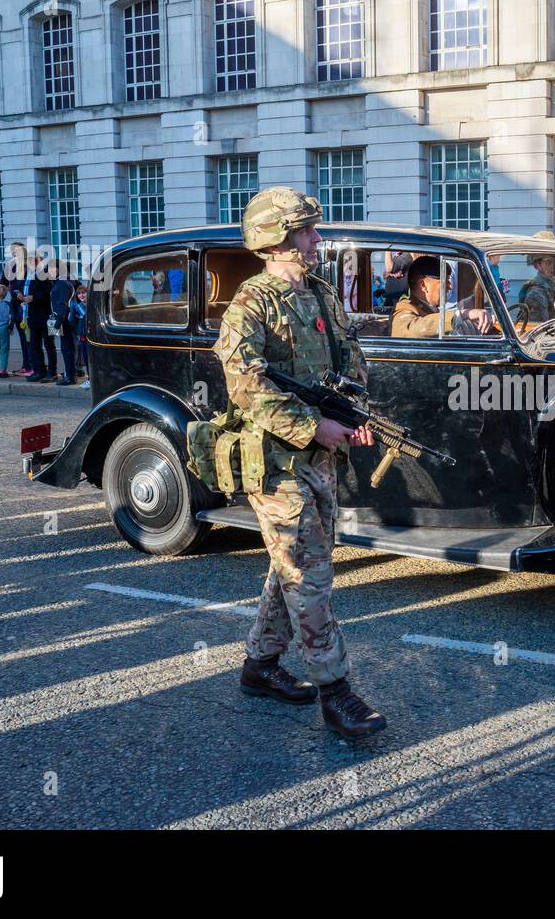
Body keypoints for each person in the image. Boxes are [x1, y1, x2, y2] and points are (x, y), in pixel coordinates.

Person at [214, 186, 385, 740]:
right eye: (306, 232)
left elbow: (350, 359)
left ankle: (259, 667)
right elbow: (246, 386)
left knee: (291, 565)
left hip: (320, 458)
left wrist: (353, 413)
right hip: (276, 461)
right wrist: (315, 426)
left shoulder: (319, 293)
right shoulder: (251, 303)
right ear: (276, 240)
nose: (316, 239)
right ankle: (337, 693)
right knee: (308, 572)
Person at [391, 256, 494, 337]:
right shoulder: (404, 308)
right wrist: (463, 314)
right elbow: (411, 331)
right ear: (423, 285)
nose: (450, 286)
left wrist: (484, 322)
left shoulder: (431, 309)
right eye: (445, 281)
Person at [21, 257, 57, 382]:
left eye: (33, 261)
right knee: (34, 346)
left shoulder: (45, 274)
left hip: (46, 316)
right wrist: (22, 297)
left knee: (49, 345)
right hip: (32, 316)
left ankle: (52, 372)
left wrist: (33, 298)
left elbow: (49, 294)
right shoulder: (30, 276)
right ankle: (39, 370)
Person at [4, 242, 34, 376]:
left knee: (29, 338)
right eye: (12, 252)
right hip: (16, 306)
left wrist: (19, 293)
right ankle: (26, 365)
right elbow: (4, 284)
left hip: (26, 307)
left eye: (16, 251)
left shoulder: (28, 268)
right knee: (23, 338)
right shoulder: (10, 267)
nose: (13, 254)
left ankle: (32, 365)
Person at [51, 262, 78, 385]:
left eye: (51, 269)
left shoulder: (62, 283)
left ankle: (70, 376)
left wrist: (58, 321)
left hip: (64, 320)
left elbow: (62, 303)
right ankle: (71, 373)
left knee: (67, 349)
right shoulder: (66, 280)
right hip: (66, 319)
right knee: (69, 348)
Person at [74, 284, 90, 388]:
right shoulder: (77, 305)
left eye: (83, 292)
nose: (81, 295)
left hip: (89, 337)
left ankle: (91, 379)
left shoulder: (85, 306)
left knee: (89, 359)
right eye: (79, 293)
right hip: (82, 337)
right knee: (85, 358)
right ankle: (89, 379)